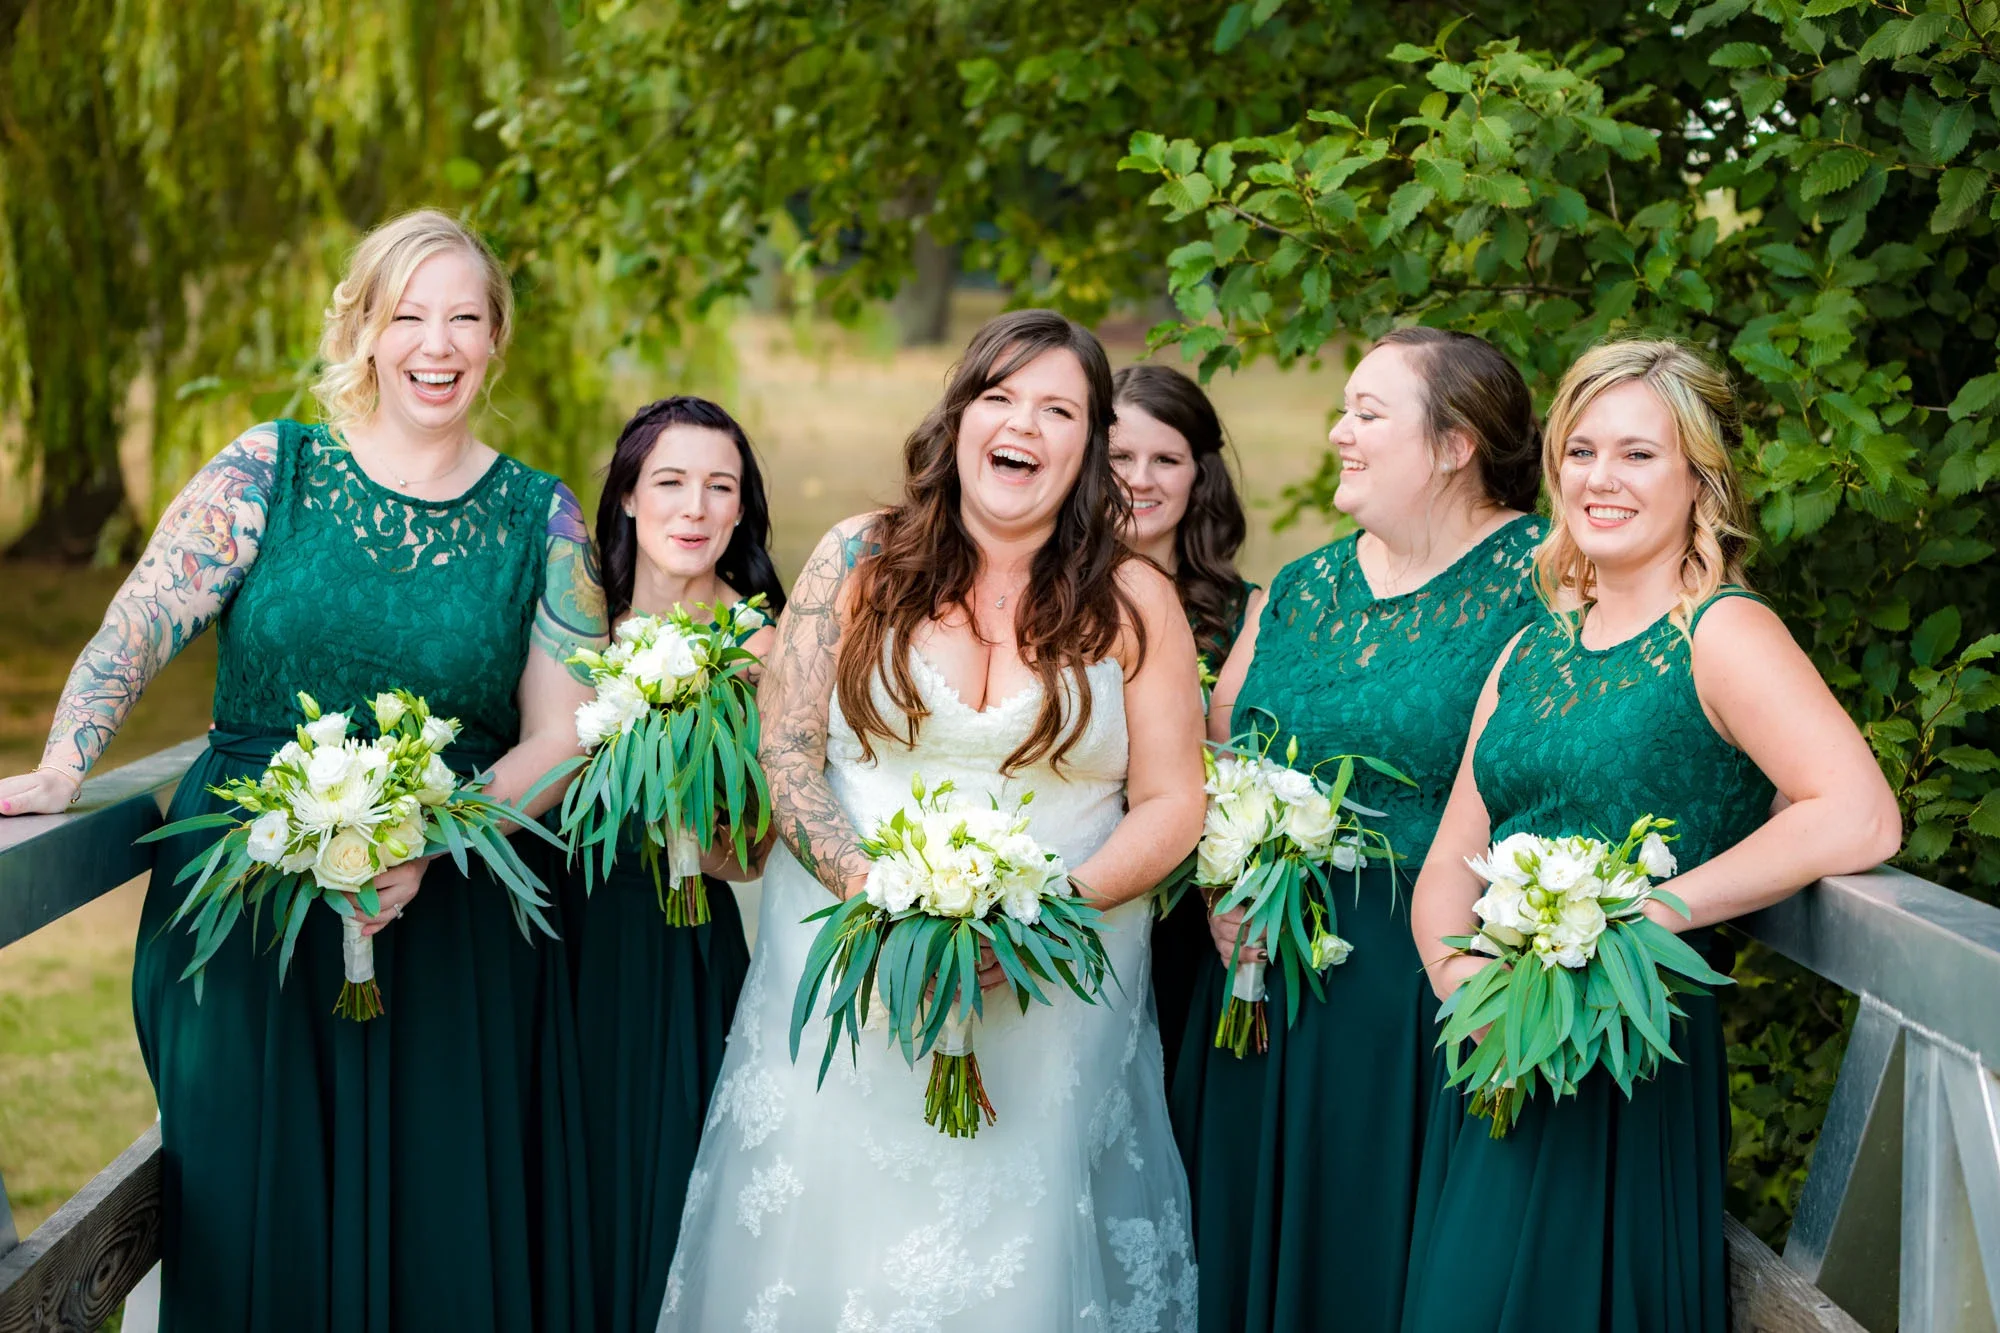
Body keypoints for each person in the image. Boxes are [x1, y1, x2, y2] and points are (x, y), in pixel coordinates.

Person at [0, 209, 607, 1332]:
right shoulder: (268, 468)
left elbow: (560, 736)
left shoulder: (542, 517)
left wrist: (434, 833)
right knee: (247, 1214)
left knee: (434, 1230)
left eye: (464, 317)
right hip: (241, 906)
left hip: (451, 922)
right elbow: (141, 621)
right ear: (364, 331)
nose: (437, 344)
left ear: (495, 340)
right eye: (408, 314)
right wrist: (60, 759)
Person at [658, 309, 1206, 1331]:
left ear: (1088, 448)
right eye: (998, 397)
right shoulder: (856, 559)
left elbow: (1174, 803)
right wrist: (876, 896)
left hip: (1054, 991)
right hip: (849, 967)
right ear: (956, 419)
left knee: (1019, 1260)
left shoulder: (1134, 600)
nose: (1023, 426)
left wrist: (1047, 914)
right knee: (829, 1240)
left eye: (1057, 410)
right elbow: (790, 754)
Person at [1403, 338, 1900, 1333]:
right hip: (1495, 1054)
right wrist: (1473, 997)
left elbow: (1857, 811)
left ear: (1696, 477)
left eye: (1637, 454)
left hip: (1626, 1063)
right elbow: (1446, 867)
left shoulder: (1719, 632)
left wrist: (1629, 915)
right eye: (1580, 451)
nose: (1600, 478)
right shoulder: (1527, 648)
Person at [1172, 328, 1545, 1333]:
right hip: (1258, 973)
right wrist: (1218, 888)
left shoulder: (1546, 578)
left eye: (1367, 413)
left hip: (1418, 990)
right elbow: (1214, 756)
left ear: (1455, 442)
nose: (1337, 432)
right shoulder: (1301, 587)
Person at [568, 395, 782, 1332]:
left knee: (663, 1177)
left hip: (675, 944)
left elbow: (761, 850)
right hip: (551, 937)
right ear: (624, 496)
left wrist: (700, 824)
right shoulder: (571, 626)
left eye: (719, 487)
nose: (693, 508)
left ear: (740, 511)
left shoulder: (761, 647)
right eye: (670, 482)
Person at [1109, 363, 1260, 1086]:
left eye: (1165, 459)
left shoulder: (1252, 613)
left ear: (1200, 477)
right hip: (1075, 886)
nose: (1141, 479)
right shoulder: (1043, 601)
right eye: (1119, 458)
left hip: (1190, 913)